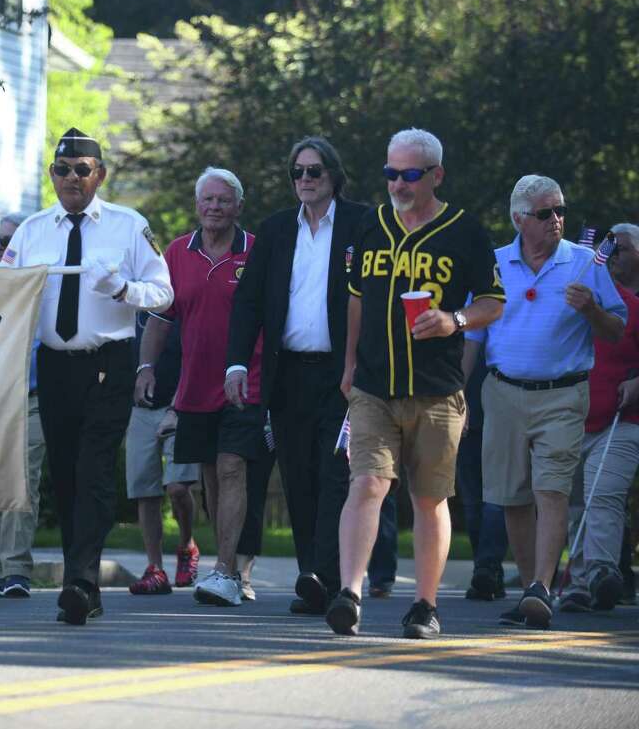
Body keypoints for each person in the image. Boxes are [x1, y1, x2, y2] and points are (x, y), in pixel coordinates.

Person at [327, 127, 505, 639]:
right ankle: (350, 594)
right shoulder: (370, 224)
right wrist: (347, 366)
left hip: (437, 389)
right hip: (373, 386)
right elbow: (356, 297)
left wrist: (456, 320)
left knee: (430, 499)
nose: (398, 184)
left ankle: (425, 605)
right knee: (367, 483)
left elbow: (494, 301)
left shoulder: (464, 230)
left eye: (409, 175)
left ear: (436, 175)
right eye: (391, 173)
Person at [2, 127, 173, 625]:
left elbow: (163, 293)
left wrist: (122, 289)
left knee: (94, 469)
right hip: (54, 364)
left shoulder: (127, 225)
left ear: (100, 174)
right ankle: (81, 577)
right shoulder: (33, 230)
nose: (71, 178)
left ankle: (81, 581)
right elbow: (5, 294)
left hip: (108, 361)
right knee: (65, 470)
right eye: (62, 169)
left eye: (82, 169)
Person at [468, 177, 625, 629]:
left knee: (551, 489)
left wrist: (593, 309)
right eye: (544, 213)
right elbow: (474, 333)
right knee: (512, 497)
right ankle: (531, 593)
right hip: (502, 392)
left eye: (560, 210)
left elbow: (617, 327)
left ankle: (542, 587)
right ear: (519, 219)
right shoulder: (494, 263)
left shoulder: (584, 263)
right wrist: (455, 391)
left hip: (563, 391)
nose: (556, 220)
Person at [226, 136, 370, 615]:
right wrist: (238, 362)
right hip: (287, 374)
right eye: (298, 173)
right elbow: (248, 303)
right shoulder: (274, 230)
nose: (305, 180)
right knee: (298, 477)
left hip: (343, 372)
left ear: (334, 175)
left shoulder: (361, 223)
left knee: (336, 473)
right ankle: (313, 575)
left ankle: (327, 575)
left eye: (315, 172)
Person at [142, 167, 270, 607]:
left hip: (246, 382)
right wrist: (146, 366)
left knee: (233, 467)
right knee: (211, 477)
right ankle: (228, 566)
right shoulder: (178, 252)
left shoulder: (258, 251)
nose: (214, 207)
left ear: (239, 206)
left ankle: (226, 571)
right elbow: (160, 316)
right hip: (194, 387)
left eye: (223, 200)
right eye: (207, 200)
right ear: (198, 206)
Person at [562, 223, 639, 613]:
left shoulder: (632, 305)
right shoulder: (574, 300)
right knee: (574, 501)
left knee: (603, 495)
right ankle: (577, 582)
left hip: (623, 420)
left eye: (620, 249)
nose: (611, 257)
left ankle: (601, 572)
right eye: (607, 249)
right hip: (572, 414)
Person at [0, 212, 48, 599]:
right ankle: (1, 567)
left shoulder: (42, 288)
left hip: (33, 396)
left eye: (9, 243)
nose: (1, 249)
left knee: (23, 480)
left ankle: (17, 571)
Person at [126, 314, 200, 594]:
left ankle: (187, 545)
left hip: (179, 407)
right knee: (144, 491)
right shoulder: (130, 313)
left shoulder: (179, 310)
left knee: (178, 487)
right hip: (139, 410)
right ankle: (155, 568)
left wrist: (178, 407)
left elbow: (193, 361)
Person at [456, 345, 509, 600]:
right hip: (466, 403)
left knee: (494, 496)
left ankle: (488, 566)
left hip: (500, 404)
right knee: (475, 499)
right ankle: (485, 569)